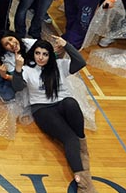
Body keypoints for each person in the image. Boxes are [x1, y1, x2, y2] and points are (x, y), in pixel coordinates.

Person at [11, 36, 94, 192]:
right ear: (33, 54)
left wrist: (67, 45)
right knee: (69, 138)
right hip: (43, 109)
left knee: (71, 102)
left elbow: (81, 62)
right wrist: (17, 68)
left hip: (62, 104)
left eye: (45, 54)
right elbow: (16, 87)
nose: (41, 58)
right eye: (37, 53)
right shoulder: (28, 70)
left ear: (50, 55)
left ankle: (81, 143)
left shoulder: (59, 65)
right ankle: (84, 183)